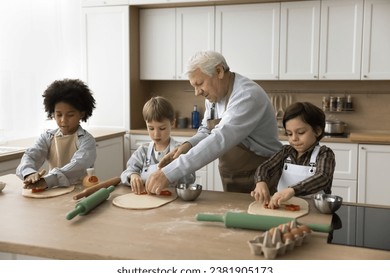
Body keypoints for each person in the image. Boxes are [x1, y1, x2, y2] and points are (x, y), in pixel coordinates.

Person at [145, 50, 282, 194]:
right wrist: (187, 146)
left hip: (263, 176)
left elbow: (219, 138)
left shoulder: (247, 95)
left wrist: (169, 173)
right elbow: (206, 131)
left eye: (200, 84)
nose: (197, 92)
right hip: (232, 175)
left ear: (219, 71)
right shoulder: (214, 96)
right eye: (194, 86)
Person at [250, 102, 336, 209]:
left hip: (315, 209)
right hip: (285, 208)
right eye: (289, 134)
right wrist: (261, 182)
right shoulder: (285, 152)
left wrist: (292, 190)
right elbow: (265, 167)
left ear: (317, 131)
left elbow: (322, 177)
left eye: (300, 132)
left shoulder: (324, 154)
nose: (294, 138)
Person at [16, 79, 97, 191]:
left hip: (80, 190)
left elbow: (78, 165)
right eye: (59, 115)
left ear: (82, 113)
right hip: (52, 189)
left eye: (70, 115)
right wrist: (29, 173)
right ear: (52, 113)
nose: (63, 120)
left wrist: (47, 180)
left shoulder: (87, 141)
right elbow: (31, 156)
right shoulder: (47, 137)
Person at [121, 96, 195, 194]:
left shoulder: (180, 151)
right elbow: (125, 174)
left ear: (172, 123)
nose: (156, 134)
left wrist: (176, 169)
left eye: (162, 128)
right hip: (147, 201)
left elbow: (191, 179)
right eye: (151, 128)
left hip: (174, 201)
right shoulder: (143, 151)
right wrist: (133, 176)